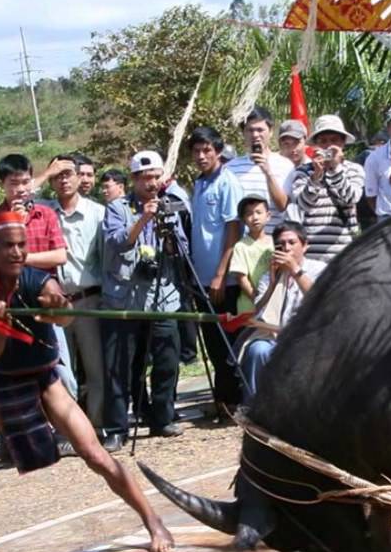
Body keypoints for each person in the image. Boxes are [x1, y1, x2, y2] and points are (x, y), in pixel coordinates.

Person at [0, 210, 175, 552]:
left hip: (45, 381)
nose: (17, 253)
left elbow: (61, 315)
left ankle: (153, 521)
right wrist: (0, 328)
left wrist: (58, 308)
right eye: (9, 247)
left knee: (96, 455)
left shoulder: (37, 280)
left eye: (22, 246)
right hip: (0, 386)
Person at [99, 151, 190, 449]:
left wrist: (168, 235)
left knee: (166, 360)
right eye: (146, 178)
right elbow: (117, 242)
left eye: (156, 177)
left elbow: (182, 250)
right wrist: (144, 218)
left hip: (162, 296)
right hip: (124, 299)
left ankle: (162, 418)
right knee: (121, 367)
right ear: (134, 179)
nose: (152, 183)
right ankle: (116, 428)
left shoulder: (170, 206)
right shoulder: (117, 208)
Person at [0, 154, 77, 398]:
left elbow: (60, 256)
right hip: (11, 309)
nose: (20, 189)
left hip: (46, 303)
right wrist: (13, 225)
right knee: (19, 377)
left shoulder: (45, 214)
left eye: (25, 182)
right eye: (14, 184)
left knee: (63, 375)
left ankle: (67, 431)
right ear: (2, 184)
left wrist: (22, 259)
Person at [41, 154, 108, 430]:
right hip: (55, 304)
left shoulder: (97, 213)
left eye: (68, 173)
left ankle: (96, 426)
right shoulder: (43, 212)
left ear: (81, 177)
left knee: (95, 370)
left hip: (88, 300)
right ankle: (70, 432)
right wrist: (44, 174)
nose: (64, 179)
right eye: (57, 175)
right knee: (63, 373)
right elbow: (17, 196)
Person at [186, 126, 246, 411]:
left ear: (218, 151)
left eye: (206, 150)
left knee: (229, 342)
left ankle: (237, 401)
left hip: (224, 279)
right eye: (196, 151)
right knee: (212, 343)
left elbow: (233, 229)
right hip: (201, 277)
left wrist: (221, 274)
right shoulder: (199, 183)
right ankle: (222, 399)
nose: (201, 156)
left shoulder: (227, 182)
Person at [238, 222, 327, 402]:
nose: (286, 248)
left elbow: (320, 300)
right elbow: (258, 310)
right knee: (257, 350)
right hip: (274, 335)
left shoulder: (319, 269)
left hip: (309, 336)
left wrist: (295, 270)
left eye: (292, 243)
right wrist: (272, 283)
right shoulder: (270, 274)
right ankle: (254, 409)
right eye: (281, 244)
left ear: (305, 245)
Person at [290, 115, 365, 264]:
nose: (329, 146)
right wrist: (315, 178)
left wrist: (335, 168)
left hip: (344, 252)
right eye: (323, 141)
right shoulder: (303, 172)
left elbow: (351, 198)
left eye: (334, 140)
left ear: (343, 142)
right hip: (312, 253)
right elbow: (302, 205)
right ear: (315, 145)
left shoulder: (354, 170)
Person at [222, 107, 295, 231]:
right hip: (242, 244)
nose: (255, 135)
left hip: (273, 241)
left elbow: (283, 206)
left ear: (271, 131)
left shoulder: (286, 166)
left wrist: (267, 172)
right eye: (250, 130)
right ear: (243, 133)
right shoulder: (229, 168)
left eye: (260, 130)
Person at [229, 192, 273, 314]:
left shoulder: (276, 243)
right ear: (243, 219)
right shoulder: (241, 246)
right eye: (249, 214)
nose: (255, 217)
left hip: (273, 305)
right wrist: (258, 300)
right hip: (249, 307)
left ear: (268, 215)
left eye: (259, 212)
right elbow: (241, 278)